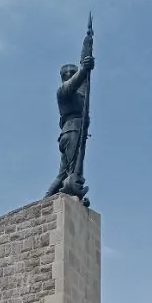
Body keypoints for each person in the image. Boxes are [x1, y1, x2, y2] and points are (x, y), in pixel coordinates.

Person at [45, 55, 95, 197]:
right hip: (71, 132)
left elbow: (82, 82)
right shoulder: (63, 92)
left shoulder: (79, 95)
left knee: (64, 174)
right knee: (70, 172)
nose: (70, 76)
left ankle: (49, 199)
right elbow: (77, 80)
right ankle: (50, 199)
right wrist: (84, 70)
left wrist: (86, 63)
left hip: (76, 132)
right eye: (69, 75)